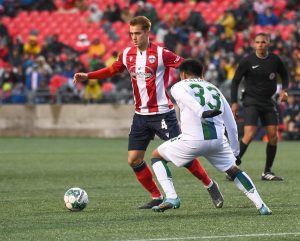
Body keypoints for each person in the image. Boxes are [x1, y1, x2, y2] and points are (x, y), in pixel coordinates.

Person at [73, 16, 223, 209]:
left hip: (163, 114)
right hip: (141, 116)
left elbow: (187, 67)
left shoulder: (161, 54)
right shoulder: (127, 54)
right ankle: (156, 195)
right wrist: (89, 76)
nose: (133, 38)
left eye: (137, 33)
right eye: (131, 34)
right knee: (134, 159)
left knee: (184, 157)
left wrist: (201, 85)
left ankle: (210, 185)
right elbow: (112, 70)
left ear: (147, 32)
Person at [150, 59, 272, 215]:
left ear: (183, 74)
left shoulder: (178, 86)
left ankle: (172, 197)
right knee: (233, 170)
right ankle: (261, 205)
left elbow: (186, 98)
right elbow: (231, 124)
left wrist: (201, 112)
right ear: (202, 74)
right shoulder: (215, 89)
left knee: (156, 156)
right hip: (218, 141)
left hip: (192, 140)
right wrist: (236, 152)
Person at [230, 32, 289, 181]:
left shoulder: (275, 60)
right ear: (254, 44)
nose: (260, 45)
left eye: (263, 42)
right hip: (251, 101)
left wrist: (285, 90)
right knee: (249, 134)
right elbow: (235, 81)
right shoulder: (247, 61)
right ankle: (232, 166)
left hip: (268, 101)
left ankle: (267, 172)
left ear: (268, 44)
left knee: (273, 136)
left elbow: (285, 75)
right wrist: (234, 102)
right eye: (257, 42)